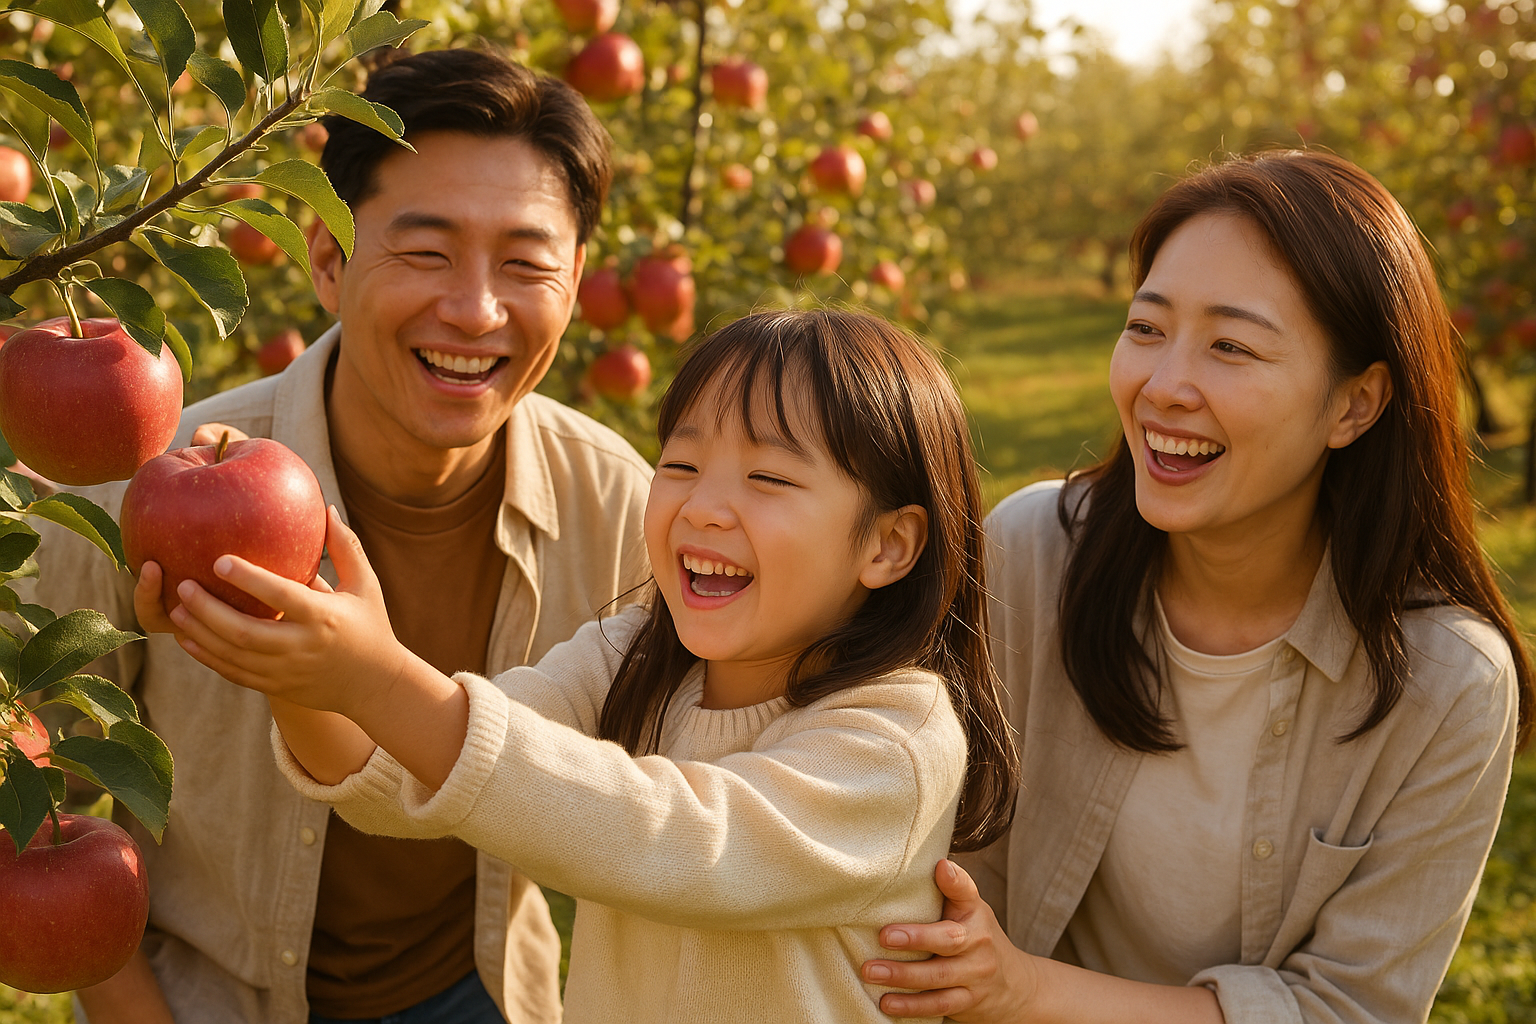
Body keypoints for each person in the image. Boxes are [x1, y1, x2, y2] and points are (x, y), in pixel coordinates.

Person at [151, 309, 1021, 1023]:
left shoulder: (894, 741)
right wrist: (305, 676)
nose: (702, 506)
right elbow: (413, 784)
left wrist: (379, 679)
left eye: (768, 478)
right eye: (680, 463)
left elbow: (677, 842)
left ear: (890, 543)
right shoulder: (631, 659)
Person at [22, 48, 652, 1024]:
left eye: (525, 263)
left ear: (574, 281)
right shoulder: (149, 484)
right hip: (212, 999)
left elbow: (690, 801)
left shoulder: (617, 508)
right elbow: (22, 786)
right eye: (426, 250)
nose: (474, 309)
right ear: (326, 256)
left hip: (480, 994)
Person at [862, 151, 1534, 1023]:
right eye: (1146, 329)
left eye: (1231, 346)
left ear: (1355, 405)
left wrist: (1024, 989)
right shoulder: (1032, 556)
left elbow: (1348, 1010)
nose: (1163, 386)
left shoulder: (1446, 684)